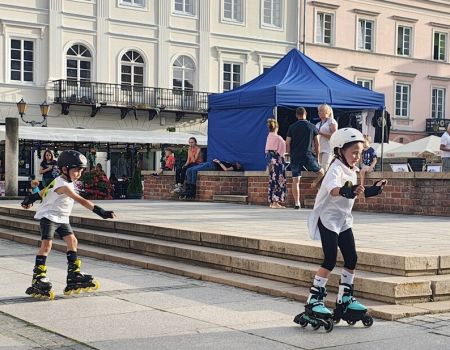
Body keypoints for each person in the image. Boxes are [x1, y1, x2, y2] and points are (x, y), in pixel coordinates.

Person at [294, 128, 387, 331]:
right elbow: (334, 190)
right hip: (327, 219)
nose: (357, 156)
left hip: (343, 220)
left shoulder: (352, 170)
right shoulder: (335, 168)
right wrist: (348, 190)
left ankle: (344, 300)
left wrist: (375, 189)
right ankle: (313, 301)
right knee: (329, 260)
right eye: (354, 152)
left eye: (360, 152)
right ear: (339, 151)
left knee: (352, 258)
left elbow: (358, 193)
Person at [20, 150, 116, 299]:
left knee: (73, 241)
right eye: (76, 170)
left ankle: (74, 274)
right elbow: (81, 200)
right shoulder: (63, 185)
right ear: (65, 169)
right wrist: (100, 211)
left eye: (81, 170)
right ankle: (38, 277)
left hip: (62, 218)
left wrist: (31, 198)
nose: (79, 173)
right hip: (49, 217)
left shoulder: (63, 181)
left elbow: (45, 190)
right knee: (47, 245)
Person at [286, 107, 324, 209]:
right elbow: (317, 144)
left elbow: (287, 142)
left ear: (296, 115)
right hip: (308, 155)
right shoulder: (312, 127)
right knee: (321, 172)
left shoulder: (292, 127)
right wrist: (317, 156)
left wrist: (289, 154)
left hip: (295, 155)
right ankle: (315, 183)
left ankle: (297, 203)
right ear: (305, 114)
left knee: (296, 180)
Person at [265, 118, 287, 209]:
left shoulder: (269, 137)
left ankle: (272, 201)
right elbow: (283, 149)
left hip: (271, 161)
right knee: (278, 180)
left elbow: (266, 150)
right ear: (277, 128)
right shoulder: (278, 138)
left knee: (272, 180)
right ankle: (275, 201)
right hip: (278, 160)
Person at [315, 104, 338, 171]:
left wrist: (320, 133)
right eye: (318, 111)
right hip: (320, 149)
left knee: (324, 168)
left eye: (321, 110)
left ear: (327, 112)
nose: (319, 112)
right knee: (319, 169)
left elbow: (334, 136)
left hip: (328, 149)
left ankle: (323, 181)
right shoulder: (318, 124)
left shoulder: (331, 121)